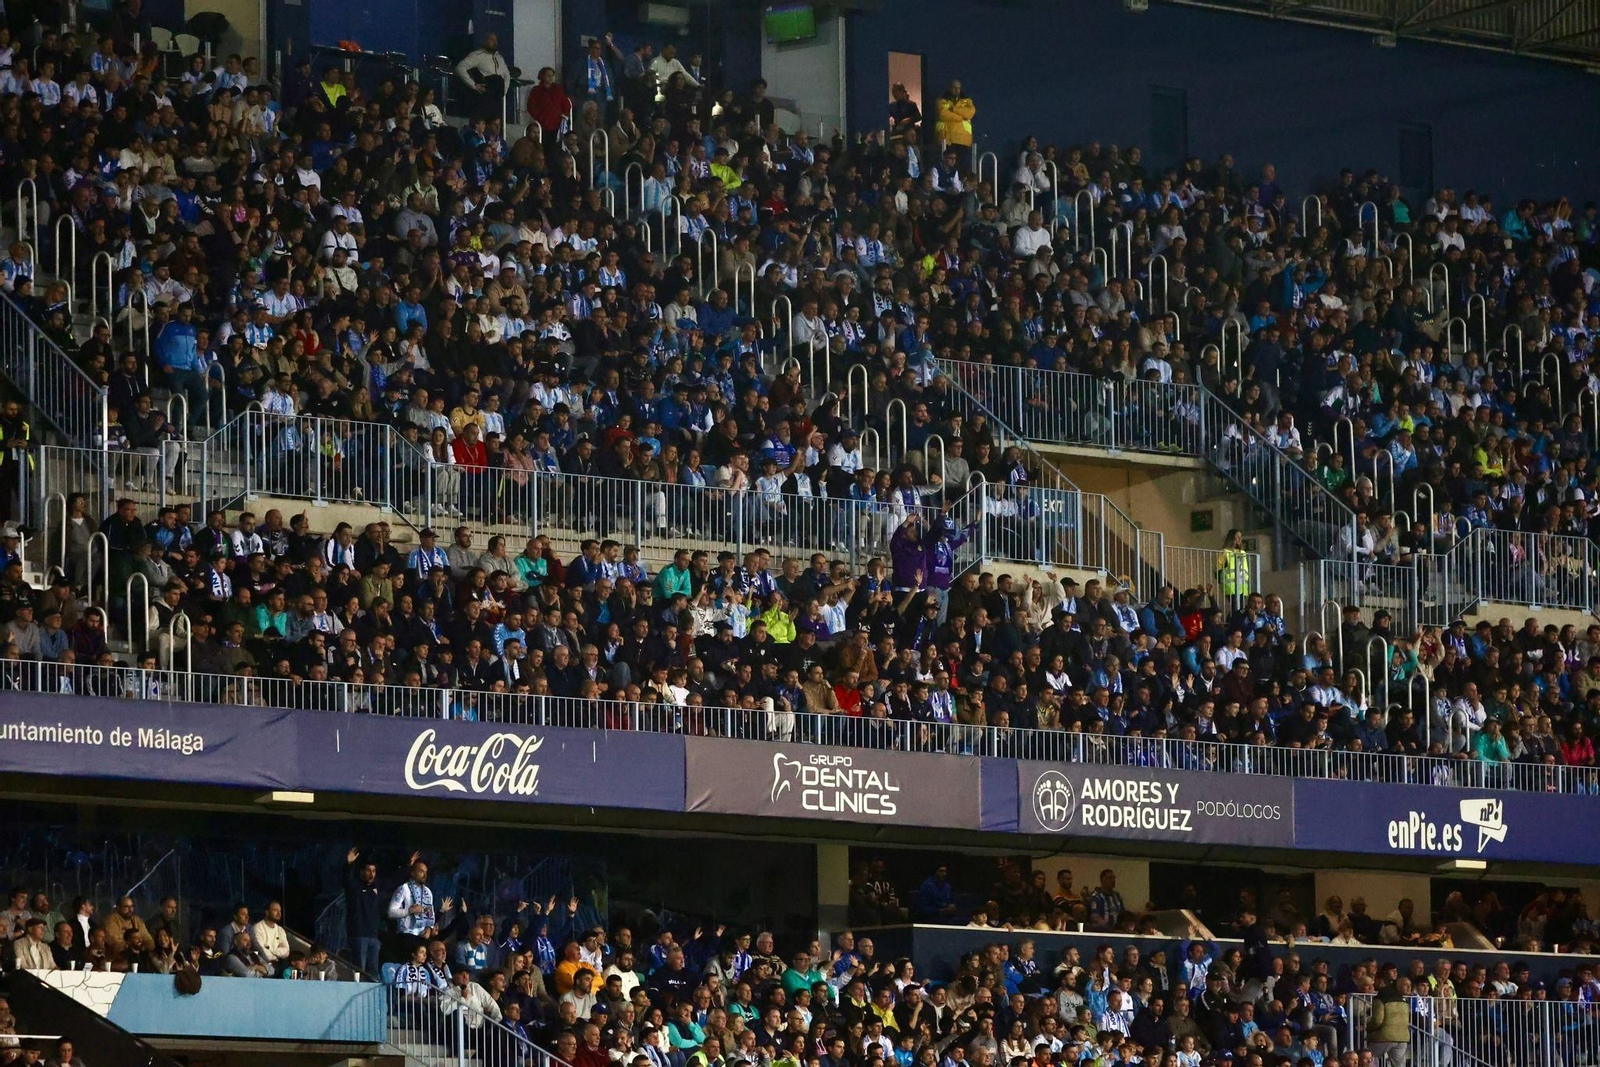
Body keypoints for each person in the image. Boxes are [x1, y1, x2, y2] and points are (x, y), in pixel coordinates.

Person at [455, 33, 512, 121]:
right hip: (486, 95)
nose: (494, 42)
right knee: (483, 122)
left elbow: (507, 75)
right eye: (492, 40)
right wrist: (473, 85)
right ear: (485, 41)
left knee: (496, 123)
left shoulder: (500, 58)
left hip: (497, 97)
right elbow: (460, 67)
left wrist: (504, 90)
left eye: (496, 40)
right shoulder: (477, 55)